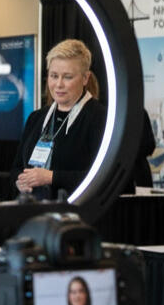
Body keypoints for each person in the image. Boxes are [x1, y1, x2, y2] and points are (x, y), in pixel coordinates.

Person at [12, 39, 106, 200]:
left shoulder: (101, 119)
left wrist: (52, 177)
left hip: (77, 213)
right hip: (34, 212)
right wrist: (20, 181)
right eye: (54, 76)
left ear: (85, 78)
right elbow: (16, 168)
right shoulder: (36, 118)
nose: (58, 84)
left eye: (67, 77)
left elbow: (104, 177)